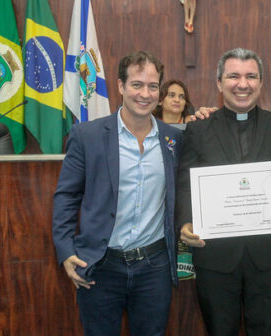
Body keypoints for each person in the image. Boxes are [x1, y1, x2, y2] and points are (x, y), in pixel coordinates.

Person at [52, 51, 182, 336]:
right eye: (136, 84)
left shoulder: (174, 138)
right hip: (100, 265)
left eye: (152, 86)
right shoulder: (87, 136)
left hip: (154, 267)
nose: (144, 93)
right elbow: (66, 197)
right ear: (120, 86)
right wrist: (65, 251)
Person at [177, 47, 271, 336]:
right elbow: (185, 181)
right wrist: (185, 222)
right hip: (215, 258)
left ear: (261, 83)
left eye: (251, 76)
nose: (242, 84)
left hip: (267, 256)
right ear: (219, 83)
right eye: (233, 76)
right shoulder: (198, 129)